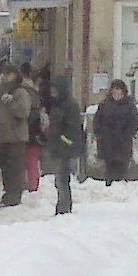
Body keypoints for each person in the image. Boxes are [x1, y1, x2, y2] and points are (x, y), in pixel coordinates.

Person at [0, 63, 31, 207]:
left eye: (8, 73)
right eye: (3, 73)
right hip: (2, 136)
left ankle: (15, 195)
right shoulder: (0, 90)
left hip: (16, 136)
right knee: (6, 168)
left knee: (15, 167)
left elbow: (24, 112)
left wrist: (11, 103)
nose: (5, 76)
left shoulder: (20, 91)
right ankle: (8, 193)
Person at [47, 76, 82, 214]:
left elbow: (72, 129)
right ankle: (62, 206)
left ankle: (64, 208)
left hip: (66, 148)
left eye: (55, 89)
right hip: (59, 146)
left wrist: (62, 139)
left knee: (62, 179)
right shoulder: (58, 104)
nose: (52, 92)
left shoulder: (70, 105)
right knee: (60, 179)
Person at [94, 79, 138, 186]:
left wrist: (125, 135)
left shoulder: (129, 105)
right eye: (114, 90)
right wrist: (101, 135)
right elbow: (97, 122)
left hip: (123, 145)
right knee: (109, 172)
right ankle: (109, 193)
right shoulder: (105, 104)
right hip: (107, 144)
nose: (116, 92)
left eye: (118, 90)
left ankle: (120, 195)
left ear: (123, 91)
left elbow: (134, 123)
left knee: (121, 173)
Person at [20, 63, 45, 192]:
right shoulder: (33, 92)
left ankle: (31, 186)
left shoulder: (24, 90)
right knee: (32, 160)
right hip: (33, 130)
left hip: (28, 130)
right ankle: (32, 185)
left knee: (29, 159)